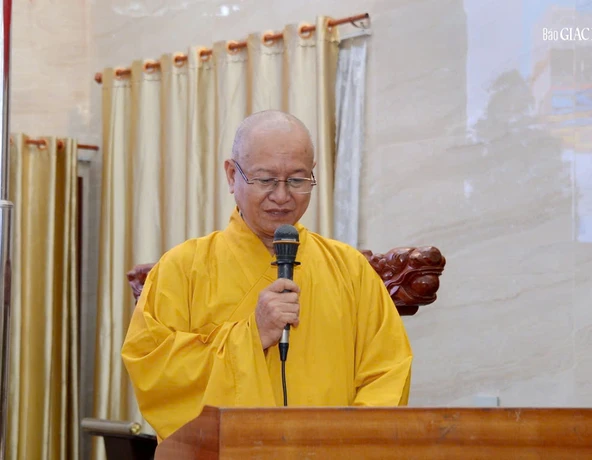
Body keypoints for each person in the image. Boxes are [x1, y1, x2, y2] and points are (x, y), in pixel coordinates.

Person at [121, 110, 413, 441]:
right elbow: (153, 370)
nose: (281, 196)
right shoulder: (182, 269)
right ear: (232, 175)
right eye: (265, 180)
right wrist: (250, 338)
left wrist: (345, 444)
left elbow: (388, 372)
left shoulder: (351, 269)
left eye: (297, 180)